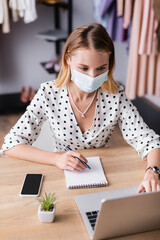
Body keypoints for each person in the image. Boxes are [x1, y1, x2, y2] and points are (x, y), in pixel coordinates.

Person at [0, 24, 160, 193]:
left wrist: (153, 171)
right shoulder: (49, 93)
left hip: (102, 178)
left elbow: (150, 141)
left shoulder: (116, 95)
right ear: (68, 60)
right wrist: (56, 159)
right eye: (84, 68)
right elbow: (11, 144)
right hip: (61, 178)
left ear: (109, 64)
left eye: (101, 68)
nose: (92, 76)